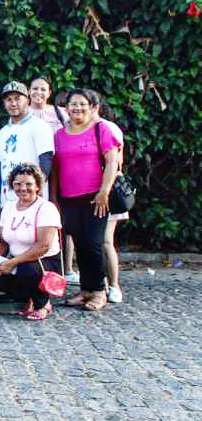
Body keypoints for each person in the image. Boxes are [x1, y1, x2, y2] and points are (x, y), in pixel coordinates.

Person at [53, 88, 120, 312]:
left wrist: (104, 191)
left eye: (83, 104)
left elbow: (112, 162)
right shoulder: (60, 135)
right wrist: (55, 198)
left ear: (93, 108)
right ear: (66, 108)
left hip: (96, 197)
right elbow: (56, 168)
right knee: (80, 244)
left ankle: (99, 291)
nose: (77, 108)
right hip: (69, 197)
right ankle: (85, 290)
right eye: (73, 104)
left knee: (93, 243)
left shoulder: (101, 130)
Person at [0, 164, 62, 320]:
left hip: (43, 261)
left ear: (38, 186)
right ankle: (28, 298)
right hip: (17, 261)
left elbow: (43, 246)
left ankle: (43, 303)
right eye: (18, 184)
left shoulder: (46, 208)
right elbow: (3, 242)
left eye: (28, 184)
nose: (23, 188)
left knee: (27, 270)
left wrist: (13, 262)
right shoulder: (8, 207)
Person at [0, 81, 55, 206]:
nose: (13, 103)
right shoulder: (3, 132)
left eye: (18, 99)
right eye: (8, 99)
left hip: (32, 197)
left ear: (27, 101)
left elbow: (47, 160)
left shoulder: (39, 126)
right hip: (8, 199)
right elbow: (1, 164)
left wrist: (38, 186)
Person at [94, 95, 127, 304]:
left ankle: (114, 285)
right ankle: (100, 284)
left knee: (106, 240)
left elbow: (116, 162)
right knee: (92, 243)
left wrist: (104, 189)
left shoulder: (107, 128)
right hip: (87, 194)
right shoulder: (74, 128)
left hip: (107, 192)